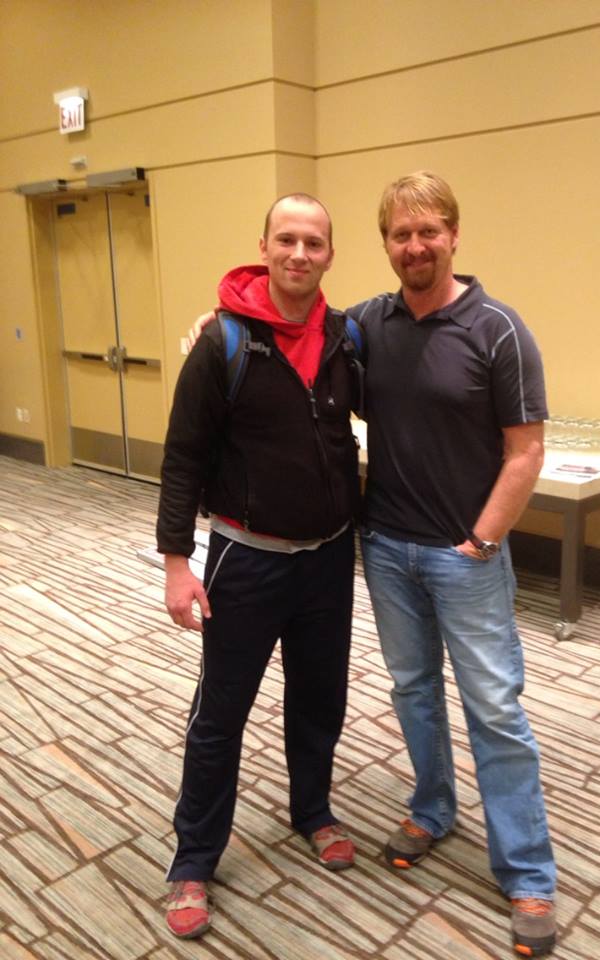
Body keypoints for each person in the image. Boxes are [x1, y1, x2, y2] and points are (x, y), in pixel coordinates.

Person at [188, 172, 557, 956]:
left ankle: (527, 870)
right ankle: (432, 809)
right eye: (400, 234)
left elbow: (526, 452)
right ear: (385, 243)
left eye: (429, 232)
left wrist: (482, 542)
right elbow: (292, 329)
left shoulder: (499, 329)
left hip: (467, 555)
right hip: (385, 549)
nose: (415, 246)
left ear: (453, 234)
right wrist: (216, 323)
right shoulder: (367, 327)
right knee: (414, 692)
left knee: (493, 708)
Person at [157, 194, 360, 940]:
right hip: (245, 561)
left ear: (330, 253)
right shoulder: (225, 342)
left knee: (319, 699)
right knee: (221, 714)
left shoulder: (346, 337)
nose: (299, 254)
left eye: (314, 242)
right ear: (265, 247)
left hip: (328, 560)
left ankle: (313, 811)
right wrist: (177, 564)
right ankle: (193, 860)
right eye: (287, 240)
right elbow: (183, 458)